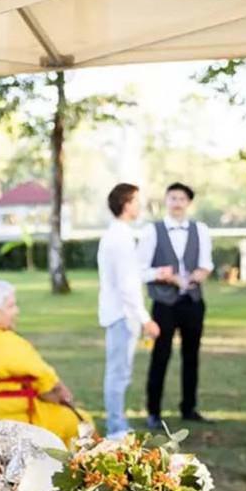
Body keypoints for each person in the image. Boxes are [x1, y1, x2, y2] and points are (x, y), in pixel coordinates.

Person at [0, 278, 92, 447]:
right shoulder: (11, 345)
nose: (16, 311)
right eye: (11, 306)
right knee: (81, 422)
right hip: (18, 426)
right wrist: (65, 397)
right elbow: (51, 389)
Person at [137, 181, 214, 427]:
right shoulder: (152, 231)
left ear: (188, 203)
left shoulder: (200, 229)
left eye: (181, 199)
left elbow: (206, 263)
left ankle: (189, 408)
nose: (177, 203)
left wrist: (198, 275)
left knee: (191, 356)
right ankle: (153, 412)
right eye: (172, 198)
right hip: (163, 303)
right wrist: (164, 275)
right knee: (161, 355)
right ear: (166, 201)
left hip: (192, 301)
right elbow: (140, 270)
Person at [97, 183, 161, 439]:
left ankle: (117, 423)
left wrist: (157, 273)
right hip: (122, 315)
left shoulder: (118, 235)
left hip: (121, 313)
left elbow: (131, 276)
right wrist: (146, 319)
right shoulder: (120, 238)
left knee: (120, 372)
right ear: (126, 203)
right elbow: (126, 286)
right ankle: (116, 428)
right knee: (118, 373)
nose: (140, 205)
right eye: (137, 200)